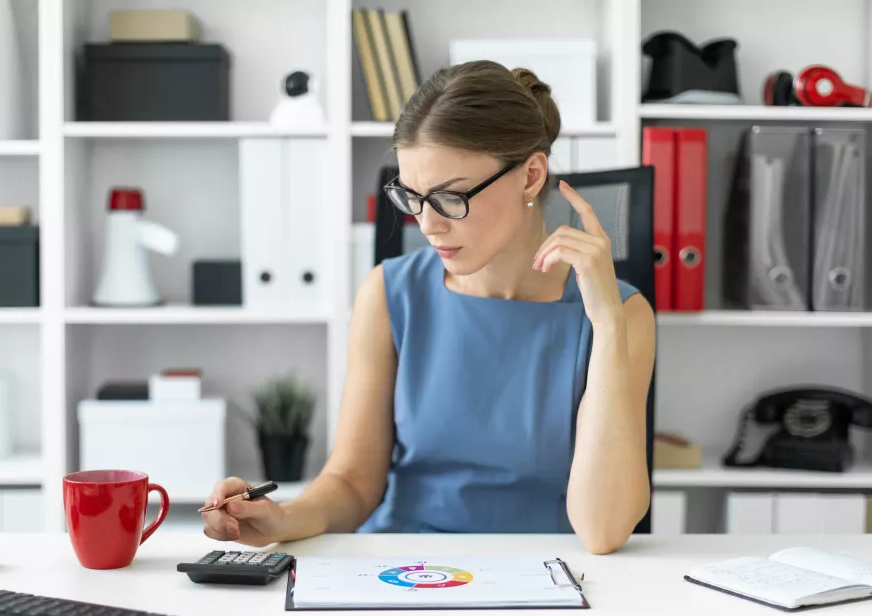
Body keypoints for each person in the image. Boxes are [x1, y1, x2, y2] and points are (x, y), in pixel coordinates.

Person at [203, 61, 656, 554]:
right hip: (403, 575)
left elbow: (603, 530)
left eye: (450, 198)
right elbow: (354, 483)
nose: (427, 225)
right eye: (412, 197)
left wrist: (607, 326)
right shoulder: (388, 294)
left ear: (530, 176)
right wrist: (282, 519)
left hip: (545, 583)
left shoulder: (620, 316)